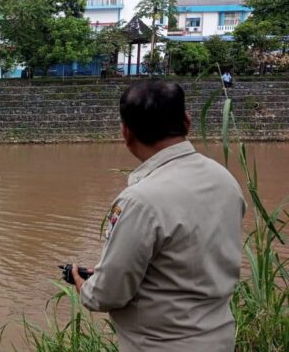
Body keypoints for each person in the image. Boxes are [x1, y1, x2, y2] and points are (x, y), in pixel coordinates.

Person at [71, 80, 245, 351]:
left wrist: (85, 286)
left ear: (126, 132)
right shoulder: (223, 179)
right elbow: (189, 259)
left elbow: (108, 295)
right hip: (220, 339)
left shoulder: (140, 200)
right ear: (187, 122)